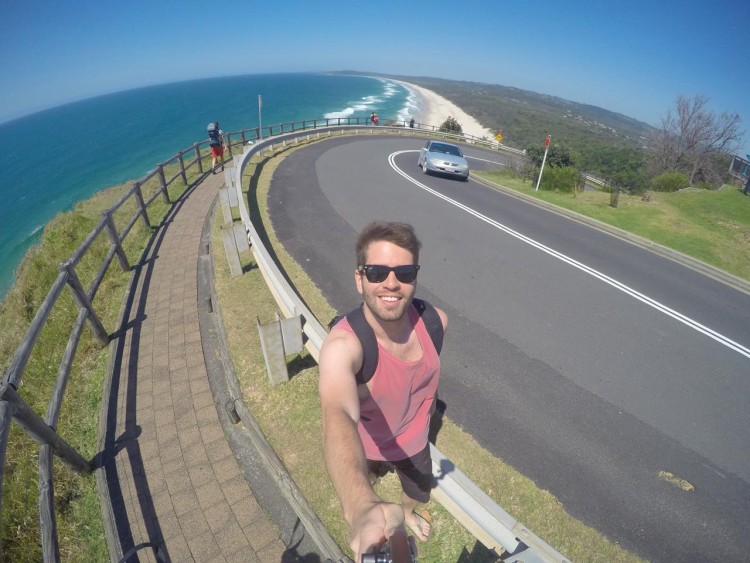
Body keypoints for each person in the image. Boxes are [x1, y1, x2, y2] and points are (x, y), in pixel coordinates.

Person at [319, 221, 448, 560]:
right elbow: (338, 411)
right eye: (377, 272)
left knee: (417, 492)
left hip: (416, 442)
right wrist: (362, 508)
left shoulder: (436, 323)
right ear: (359, 278)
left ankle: (406, 513)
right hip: (369, 444)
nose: (391, 282)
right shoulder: (344, 346)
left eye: (404, 272)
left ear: (415, 277)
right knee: (370, 475)